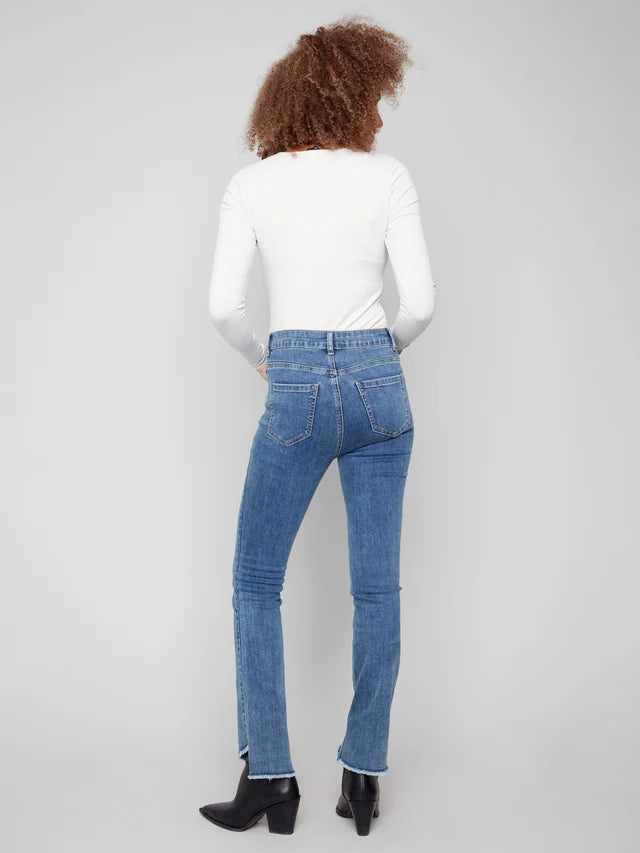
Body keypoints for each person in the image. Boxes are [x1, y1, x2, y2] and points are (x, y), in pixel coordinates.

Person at [199, 15, 436, 836]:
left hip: (295, 377)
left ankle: (271, 777)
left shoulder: (253, 185)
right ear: (350, 94)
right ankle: (363, 776)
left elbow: (223, 307)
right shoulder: (389, 177)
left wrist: (264, 359)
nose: (379, 113)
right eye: (373, 96)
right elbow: (422, 304)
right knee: (377, 589)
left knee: (255, 581)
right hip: (379, 384)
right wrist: (379, 356)